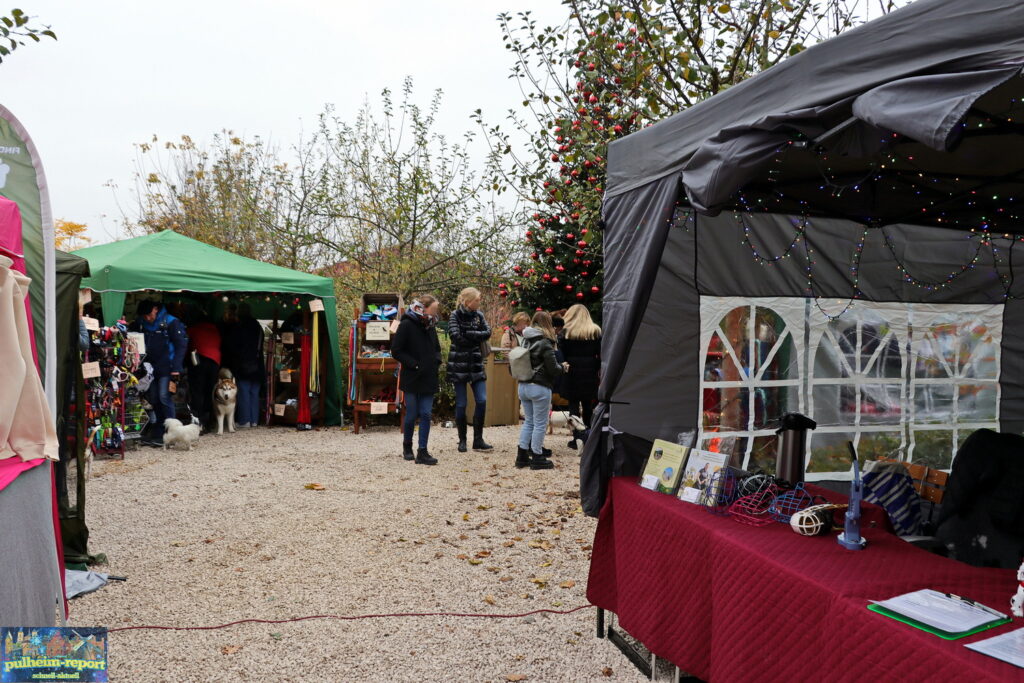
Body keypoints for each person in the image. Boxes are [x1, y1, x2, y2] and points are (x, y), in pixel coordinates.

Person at [391, 294, 442, 465]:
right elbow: (396, 350)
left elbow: (436, 348)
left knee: (426, 414)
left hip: (429, 376)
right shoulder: (406, 324)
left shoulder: (431, 325)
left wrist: (436, 361)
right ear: (423, 308)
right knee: (411, 414)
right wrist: (414, 365)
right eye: (433, 310)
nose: (435, 314)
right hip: (412, 376)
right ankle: (407, 446)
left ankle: (423, 451)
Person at [130, 299, 188, 447]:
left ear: (156, 309)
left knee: (164, 397)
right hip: (149, 369)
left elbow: (181, 345)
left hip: (167, 367)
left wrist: (176, 368)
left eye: (149, 315)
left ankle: (173, 432)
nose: (147, 318)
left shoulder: (171, 322)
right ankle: (159, 433)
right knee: (154, 398)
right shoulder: (141, 322)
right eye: (145, 316)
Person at [447, 287, 493, 453]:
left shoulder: (479, 315)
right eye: (477, 300)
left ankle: (478, 440)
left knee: (481, 400)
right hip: (458, 364)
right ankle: (462, 440)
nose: (479, 303)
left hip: (475, 363)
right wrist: (475, 336)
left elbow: (488, 332)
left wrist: (469, 333)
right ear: (468, 301)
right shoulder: (455, 315)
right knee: (461, 404)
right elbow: (455, 337)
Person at [516, 311, 564, 470]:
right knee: (540, 423)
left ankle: (522, 456)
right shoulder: (545, 343)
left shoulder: (524, 340)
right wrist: (563, 368)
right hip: (539, 387)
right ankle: (537, 457)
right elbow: (553, 369)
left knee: (529, 421)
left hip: (523, 385)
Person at [560, 303, 602, 449]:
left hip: (571, 371)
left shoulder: (566, 331)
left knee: (573, 406)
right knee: (588, 405)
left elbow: (561, 353)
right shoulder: (595, 331)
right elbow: (600, 352)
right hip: (589, 372)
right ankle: (588, 435)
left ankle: (576, 438)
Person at [222, 302, 264, 428]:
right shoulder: (257, 326)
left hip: (243, 363)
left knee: (244, 391)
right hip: (258, 363)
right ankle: (254, 420)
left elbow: (232, 345)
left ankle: (244, 420)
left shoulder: (239, 326)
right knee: (254, 392)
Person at [186, 313, 221, 430]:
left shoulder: (194, 328)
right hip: (215, 361)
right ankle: (209, 420)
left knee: (198, 389)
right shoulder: (215, 329)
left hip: (199, 360)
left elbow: (186, 342)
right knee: (210, 391)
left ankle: (198, 419)